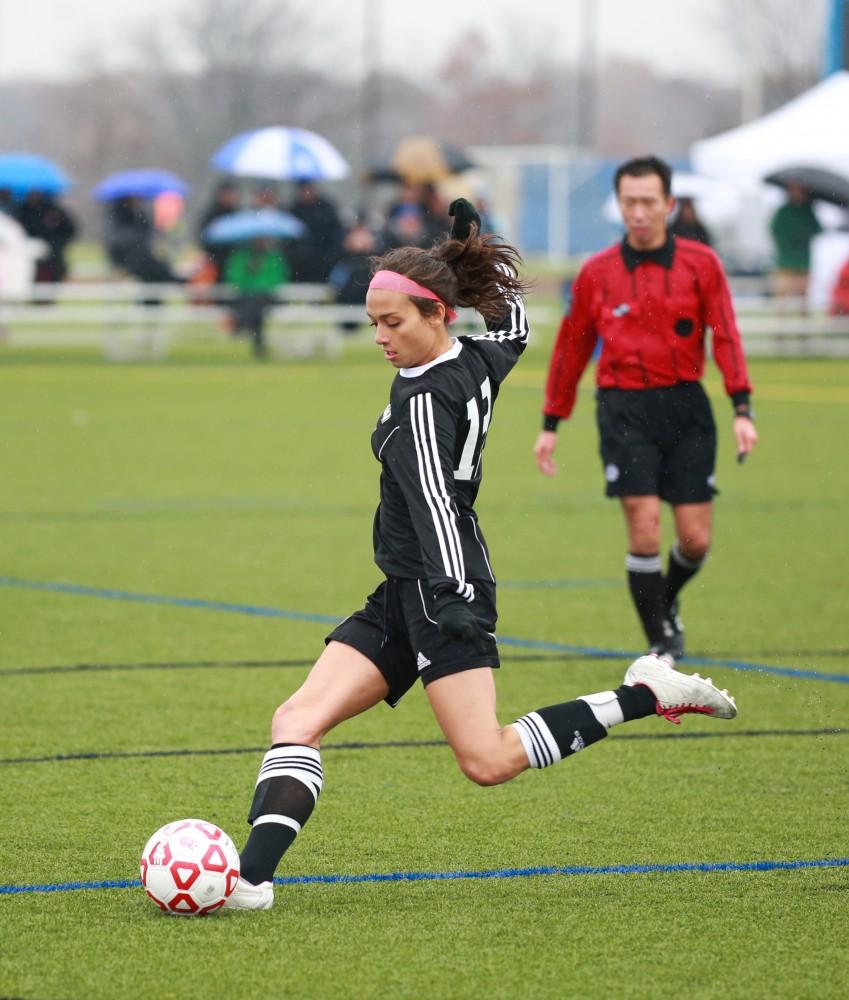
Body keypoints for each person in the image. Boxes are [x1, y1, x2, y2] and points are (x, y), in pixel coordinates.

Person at [222, 198, 740, 911]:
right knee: (296, 721)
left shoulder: (423, 405)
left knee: (487, 760)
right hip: (406, 589)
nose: (380, 336)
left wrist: (452, 597)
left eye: (392, 322)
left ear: (438, 314)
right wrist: (465, 255)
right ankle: (249, 881)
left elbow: (436, 504)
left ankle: (646, 692)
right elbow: (517, 324)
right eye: (374, 322)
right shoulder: (479, 357)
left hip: (444, 591)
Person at [534, 156, 758, 661]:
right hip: (623, 409)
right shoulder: (595, 273)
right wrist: (552, 422)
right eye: (629, 202)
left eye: (648, 202)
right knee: (644, 526)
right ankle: (661, 640)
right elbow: (571, 350)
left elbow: (725, 335)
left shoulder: (702, 265)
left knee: (695, 540)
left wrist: (742, 407)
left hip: (686, 409)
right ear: (620, 205)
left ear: (669, 205)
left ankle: (665, 599)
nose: (638, 212)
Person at [224, 236, 290, 358]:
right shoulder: (241, 257)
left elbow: (277, 279)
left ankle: (242, 323)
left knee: (256, 303)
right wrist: (250, 270)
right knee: (257, 311)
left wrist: (260, 285)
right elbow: (235, 279)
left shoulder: (274, 258)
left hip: (265, 298)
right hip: (247, 297)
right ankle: (258, 345)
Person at [769, 182, 821, 303]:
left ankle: (803, 319)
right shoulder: (783, 211)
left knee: (803, 296)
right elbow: (775, 230)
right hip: (785, 260)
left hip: (803, 261)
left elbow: (818, 229)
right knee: (781, 295)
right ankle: (781, 320)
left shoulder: (807, 211)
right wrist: (791, 238)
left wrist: (805, 234)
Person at [15, 191, 77, 287]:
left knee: (51, 284)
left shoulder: (54, 210)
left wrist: (56, 243)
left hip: (54, 257)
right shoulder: (21, 211)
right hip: (30, 257)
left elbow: (70, 230)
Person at [288, 179, 344, 283]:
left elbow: (336, 235)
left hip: (324, 261)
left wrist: (329, 258)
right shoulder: (294, 209)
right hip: (301, 265)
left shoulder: (327, 209)